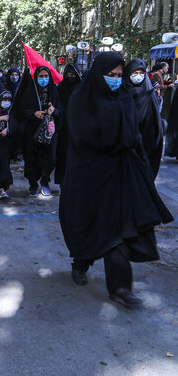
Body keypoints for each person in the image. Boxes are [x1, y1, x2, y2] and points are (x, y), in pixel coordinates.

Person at [60, 51, 173, 309]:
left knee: (119, 232)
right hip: (89, 175)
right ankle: (81, 263)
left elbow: (135, 132)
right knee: (89, 223)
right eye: (111, 75)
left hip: (120, 174)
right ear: (99, 74)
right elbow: (80, 137)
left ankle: (121, 288)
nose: (115, 79)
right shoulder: (82, 99)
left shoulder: (124, 96)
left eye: (119, 76)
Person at [19, 66, 61, 196]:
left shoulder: (53, 92)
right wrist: (34, 114)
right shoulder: (30, 91)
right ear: (36, 78)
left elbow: (61, 111)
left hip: (49, 132)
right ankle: (33, 184)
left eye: (46, 76)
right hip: (32, 131)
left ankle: (45, 182)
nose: (44, 79)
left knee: (50, 158)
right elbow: (21, 110)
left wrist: (54, 111)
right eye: (41, 76)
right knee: (31, 158)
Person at [123, 59, 163, 178]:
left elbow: (155, 121)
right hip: (124, 144)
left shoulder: (150, 93)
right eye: (135, 73)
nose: (138, 76)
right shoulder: (121, 91)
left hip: (146, 143)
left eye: (141, 73)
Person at [55, 64, 82, 185]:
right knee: (63, 156)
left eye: (73, 75)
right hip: (63, 128)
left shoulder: (82, 89)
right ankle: (62, 182)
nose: (70, 78)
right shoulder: (60, 89)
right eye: (68, 75)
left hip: (78, 128)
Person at [0, 91, 16, 200]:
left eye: (8, 100)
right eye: (4, 100)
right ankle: (2, 187)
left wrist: (8, 129)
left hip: (9, 142)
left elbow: (17, 124)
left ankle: (3, 187)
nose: (6, 102)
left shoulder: (13, 111)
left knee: (5, 164)